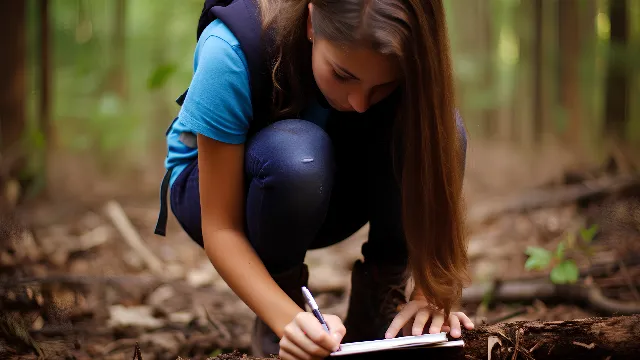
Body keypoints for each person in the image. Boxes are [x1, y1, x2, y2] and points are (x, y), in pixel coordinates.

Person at [155, 0, 474, 359]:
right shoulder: (228, 50)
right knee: (298, 155)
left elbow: (430, 164)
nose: (360, 103)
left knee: (445, 132)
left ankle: (381, 300)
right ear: (311, 23)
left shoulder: (400, 58)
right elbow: (221, 230)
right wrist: (287, 318)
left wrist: (430, 295)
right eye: (343, 75)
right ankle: (279, 300)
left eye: (383, 86)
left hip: (328, 185)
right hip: (219, 194)